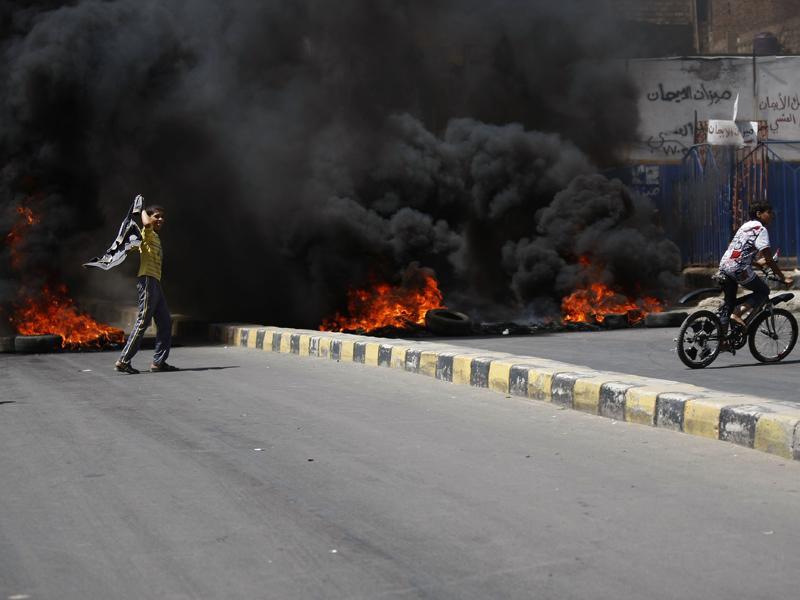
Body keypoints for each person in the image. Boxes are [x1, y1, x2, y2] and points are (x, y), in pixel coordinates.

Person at [114, 204, 179, 374]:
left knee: (165, 322)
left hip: (155, 283)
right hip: (148, 281)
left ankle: (158, 363)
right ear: (148, 217)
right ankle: (123, 360)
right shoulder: (147, 233)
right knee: (143, 321)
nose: (160, 219)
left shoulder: (156, 237)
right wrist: (140, 208)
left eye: (162, 217)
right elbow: (145, 223)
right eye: (156, 216)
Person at [717, 202, 793, 344]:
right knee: (763, 291)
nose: (772, 216)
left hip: (724, 266)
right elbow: (769, 259)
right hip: (739, 269)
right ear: (759, 213)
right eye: (769, 212)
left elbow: (737, 249)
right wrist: (783, 278)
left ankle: (722, 342)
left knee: (729, 303)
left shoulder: (745, 226)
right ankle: (737, 314)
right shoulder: (761, 229)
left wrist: (757, 263)